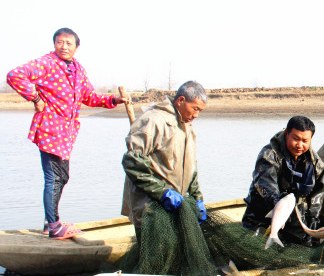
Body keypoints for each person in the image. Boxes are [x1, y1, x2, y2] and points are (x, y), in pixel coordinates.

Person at [6, 27, 128, 239]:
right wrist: (36, 99)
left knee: (62, 177)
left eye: (68, 43)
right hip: (50, 128)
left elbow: (88, 96)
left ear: (76, 47)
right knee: (53, 177)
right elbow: (14, 75)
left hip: (66, 133)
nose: (64, 47)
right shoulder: (46, 63)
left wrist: (113, 100)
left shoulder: (77, 69)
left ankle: (49, 221)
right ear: (54, 44)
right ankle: (54, 227)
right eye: (60, 42)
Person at [121, 81, 208, 241]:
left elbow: (191, 166)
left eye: (200, 111)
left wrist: (197, 197)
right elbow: (131, 161)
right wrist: (162, 193)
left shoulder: (186, 125)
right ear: (181, 100)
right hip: (150, 207)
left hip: (175, 207)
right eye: (195, 109)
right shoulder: (154, 120)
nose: (196, 115)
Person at [242, 116, 324, 246]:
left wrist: (314, 217)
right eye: (296, 138)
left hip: (293, 214)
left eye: (305, 141)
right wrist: (278, 201)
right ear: (287, 134)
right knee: (255, 246)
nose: (299, 145)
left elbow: (318, 193)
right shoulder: (269, 155)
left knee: (304, 244)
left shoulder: (315, 162)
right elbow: (265, 185)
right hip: (262, 212)